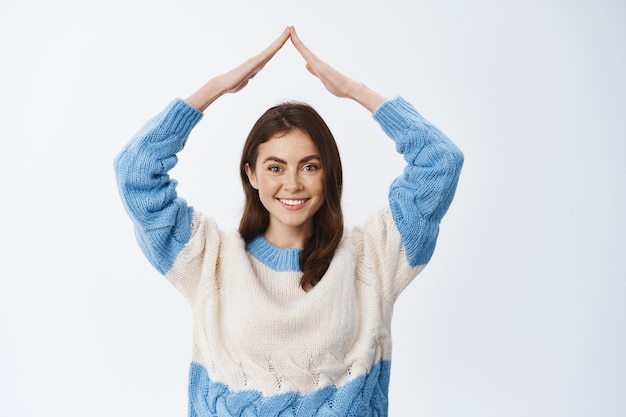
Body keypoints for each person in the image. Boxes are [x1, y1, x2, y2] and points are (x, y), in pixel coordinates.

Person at [114, 26, 463, 417]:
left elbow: (441, 162)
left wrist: (354, 90)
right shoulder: (209, 259)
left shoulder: (373, 257)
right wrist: (214, 89)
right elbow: (135, 172)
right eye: (275, 167)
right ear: (251, 174)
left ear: (328, 172)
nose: (292, 184)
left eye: (309, 166)